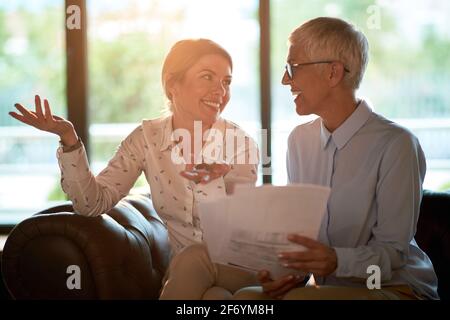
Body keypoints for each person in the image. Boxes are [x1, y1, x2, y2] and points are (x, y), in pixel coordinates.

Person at [8, 38, 259, 297]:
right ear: (172, 84)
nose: (221, 91)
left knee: (196, 259)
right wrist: (69, 141)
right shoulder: (146, 139)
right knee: (214, 297)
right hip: (190, 277)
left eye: (226, 82)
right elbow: (91, 204)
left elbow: (228, 234)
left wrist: (209, 182)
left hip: (240, 268)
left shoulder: (240, 144)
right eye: (207, 77)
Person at [233, 17, 439, 300]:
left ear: (333, 73)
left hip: (396, 288)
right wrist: (289, 273)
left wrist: (335, 261)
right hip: (331, 289)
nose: (284, 80)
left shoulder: (397, 144)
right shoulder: (298, 141)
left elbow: (393, 254)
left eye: (293, 67)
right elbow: (306, 237)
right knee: (246, 298)